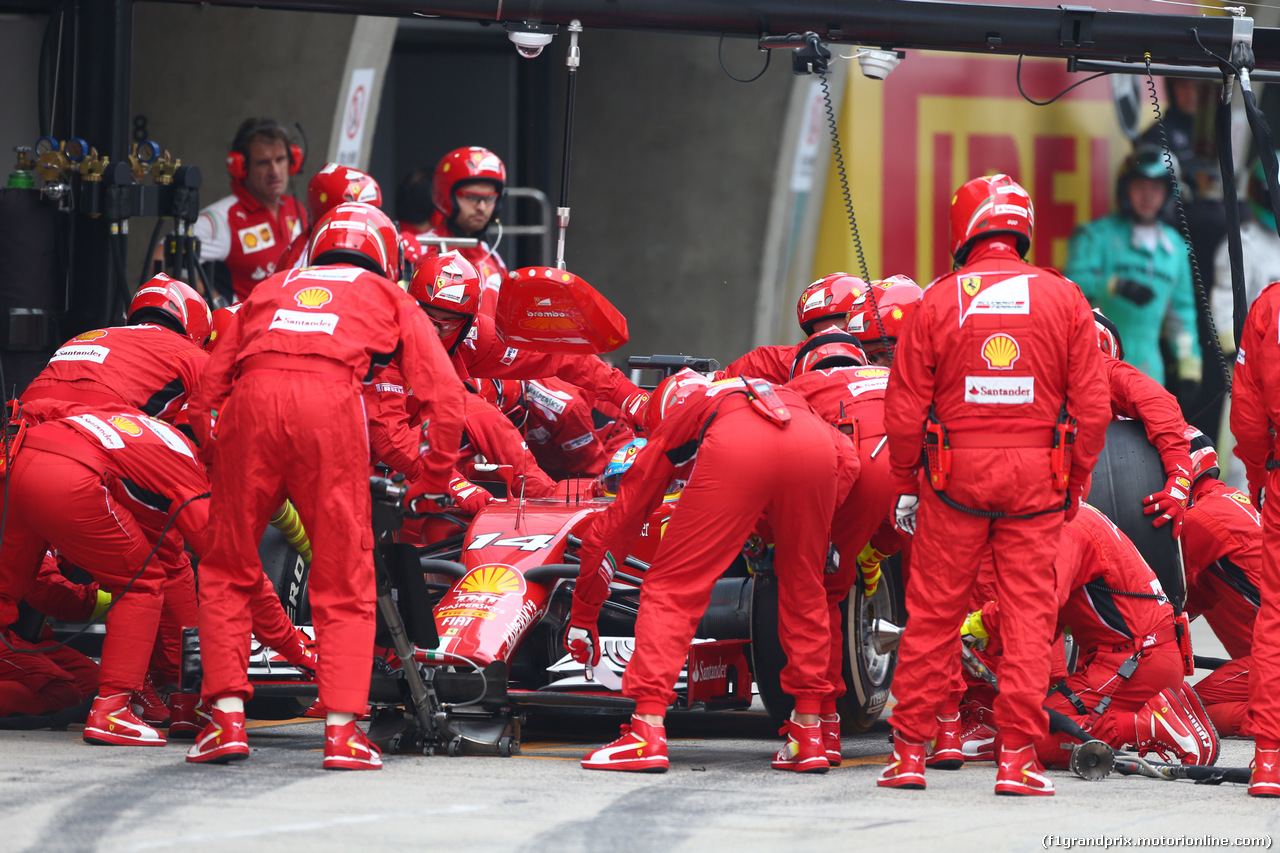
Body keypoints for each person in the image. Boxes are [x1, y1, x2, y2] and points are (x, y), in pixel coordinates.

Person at [185, 202, 466, 770]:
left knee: (226, 568)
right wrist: (431, 479)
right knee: (344, 574)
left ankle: (227, 723)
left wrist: (222, 456)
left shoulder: (271, 286)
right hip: (332, 408)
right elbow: (448, 399)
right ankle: (342, 732)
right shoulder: (391, 297)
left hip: (250, 406)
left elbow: (204, 394)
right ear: (386, 256)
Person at [881, 173, 1111, 796]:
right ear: (1022, 226)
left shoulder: (937, 300)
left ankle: (908, 754)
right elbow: (1092, 406)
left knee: (932, 616)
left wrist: (906, 483)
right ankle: (1017, 761)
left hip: (952, 481)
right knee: (1030, 620)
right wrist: (1076, 478)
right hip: (1039, 483)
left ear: (964, 227)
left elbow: (904, 408)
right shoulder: (1065, 299)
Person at [567, 371, 856, 773]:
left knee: (672, 587)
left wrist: (583, 614)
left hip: (738, 447)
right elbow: (849, 461)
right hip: (816, 447)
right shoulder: (775, 392)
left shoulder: (682, 417)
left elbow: (618, 522)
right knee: (805, 586)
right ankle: (808, 733)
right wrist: (775, 531)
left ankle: (645, 731)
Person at [0, 409, 216, 747]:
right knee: (141, 584)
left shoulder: (66, 450)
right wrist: (101, 600)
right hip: (16, 633)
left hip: (30, 636)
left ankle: (146, 703)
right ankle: (113, 713)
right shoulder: (168, 460)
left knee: (85, 685)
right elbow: (41, 589)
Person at [959, 504, 1218, 769]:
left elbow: (1036, 600)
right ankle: (1161, 709)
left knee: (1017, 741)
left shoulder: (1064, 530)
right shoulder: (1075, 514)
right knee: (1027, 721)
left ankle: (1148, 725)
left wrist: (977, 625)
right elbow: (1049, 617)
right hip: (1144, 658)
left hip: (1130, 664)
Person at [785, 332, 902, 762]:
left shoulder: (802, 388)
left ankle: (822, 726)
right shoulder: (893, 376)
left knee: (821, 589)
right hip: (933, 472)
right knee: (940, 594)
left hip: (865, 469)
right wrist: (879, 547)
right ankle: (948, 728)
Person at [1065, 146, 1202, 397]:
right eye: (1140, 186)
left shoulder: (1177, 250)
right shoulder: (1096, 236)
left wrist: (1189, 368)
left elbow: (1182, 317)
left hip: (1149, 373)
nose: (1147, 196)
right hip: (1094, 365)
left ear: (1168, 194)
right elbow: (1068, 287)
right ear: (1125, 188)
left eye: (1155, 189)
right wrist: (1114, 284)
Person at [1225, 277, 1280, 797]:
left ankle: (1269, 761)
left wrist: (1262, 480)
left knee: (1278, 616)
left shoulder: (1269, 305)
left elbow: (1247, 415)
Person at [195, 118, 307, 303]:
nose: (275, 171)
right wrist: (217, 306)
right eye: (263, 163)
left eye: (280, 159)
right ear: (240, 167)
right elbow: (161, 259)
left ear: (293, 161)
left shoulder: (297, 209)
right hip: (246, 330)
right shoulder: (222, 218)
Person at [399, 148, 510, 316]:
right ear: (446, 196)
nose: (481, 207)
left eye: (489, 198)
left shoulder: (494, 258)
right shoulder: (417, 249)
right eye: (471, 197)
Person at [718, 273, 868, 382]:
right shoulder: (776, 364)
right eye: (821, 335)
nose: (832, 339)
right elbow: (717, 385)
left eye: (842, 332)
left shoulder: (889, 364)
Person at [277, 163, 382, 272]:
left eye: (374, 214)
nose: (370, 224)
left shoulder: (356, 243)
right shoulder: (301, 262)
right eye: (358, 216)